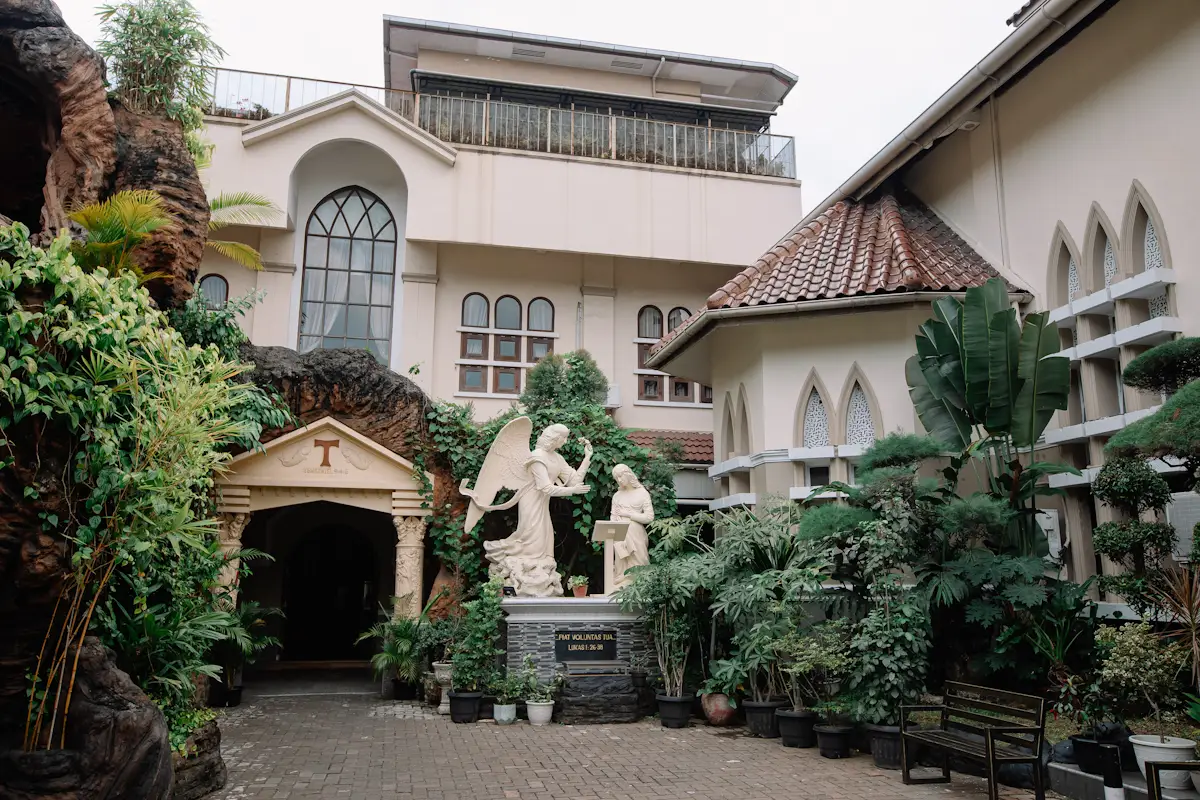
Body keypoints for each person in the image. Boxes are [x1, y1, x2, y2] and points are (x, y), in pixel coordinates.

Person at [609, 464, 653, 590]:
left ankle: (639, 587)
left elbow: (649, 517)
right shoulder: (617, 496)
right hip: (620, 535)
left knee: (639, 561)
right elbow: (612, 517)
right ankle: (621, 584)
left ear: (628, 474)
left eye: (620, 476)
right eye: (616, 478)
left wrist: (628, 515)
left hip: (636, 534)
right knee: (621, 564)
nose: (619, 480)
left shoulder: (642, 493)